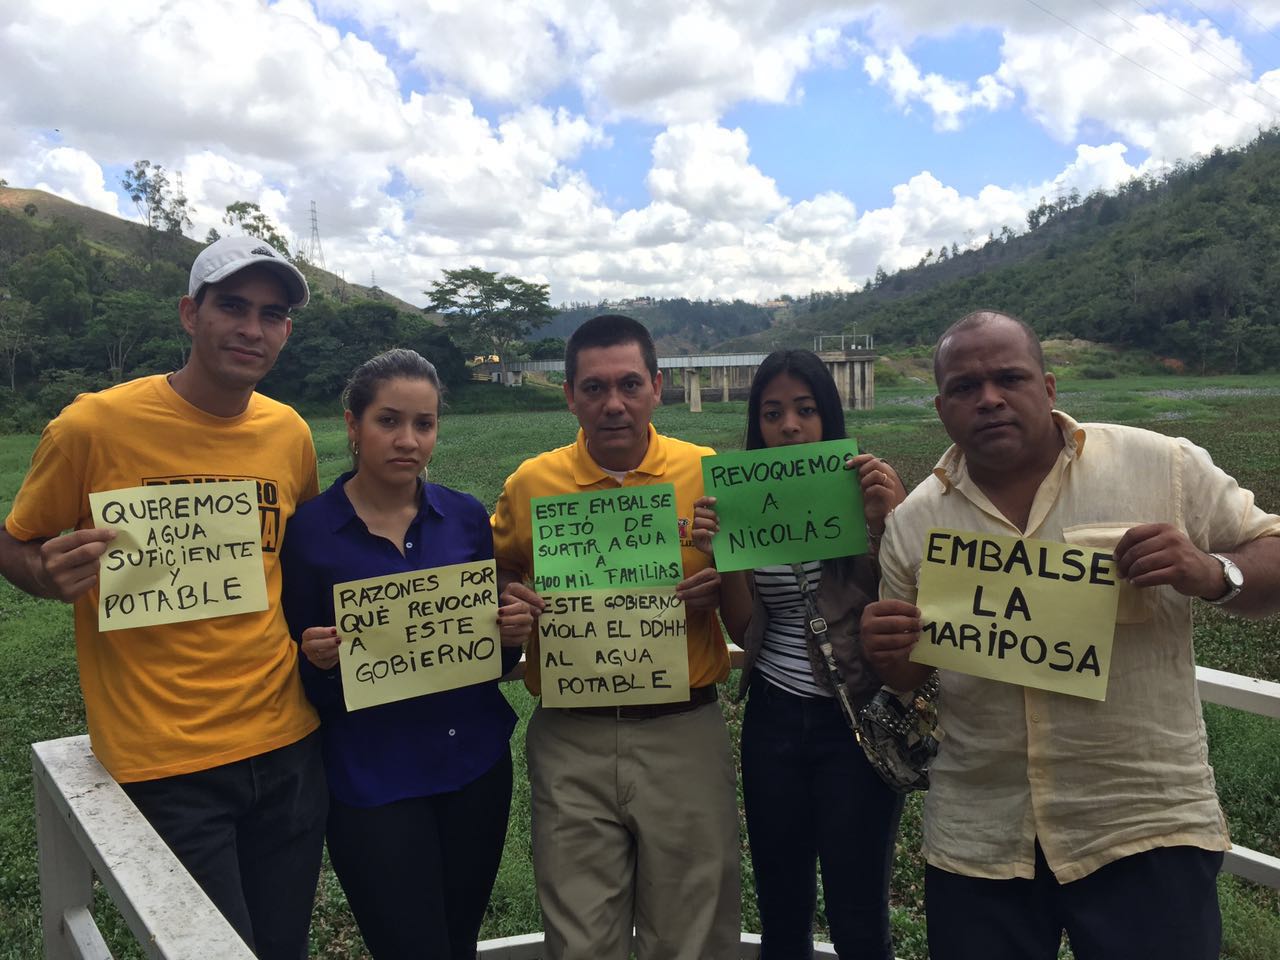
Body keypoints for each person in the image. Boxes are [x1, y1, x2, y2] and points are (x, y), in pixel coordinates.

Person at [861, 310, 1280, 960]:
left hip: (1142, 824)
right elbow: (911, 677)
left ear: (1049, 388)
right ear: (942, 408)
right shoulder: (914, 524)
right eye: (966, 388)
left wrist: (1211, 571)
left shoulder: (1161, 466)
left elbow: (1270, 551)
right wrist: (892, 656)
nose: (990, 398)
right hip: (980, 839)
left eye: (1009, 378)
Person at [0, 236, 326, 959]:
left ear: (286, 333)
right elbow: (14, 541)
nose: (252, 328)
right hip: (165, 758)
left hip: (289, 746)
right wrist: (44, 574)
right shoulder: (92, 425)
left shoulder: (289, 432)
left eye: (271, 315)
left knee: (283, 949)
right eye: (233, 306)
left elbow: (300, 560)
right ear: (190, 313)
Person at [489, 314, 739, 960]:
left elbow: (747, 584)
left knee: (693, 929)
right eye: (594, 388)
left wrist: (722, 578)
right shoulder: (530, 483)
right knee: (579, 934)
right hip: (572, 736)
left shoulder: (705, 472)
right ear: (569, 395)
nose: (614, 404)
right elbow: (499, 564)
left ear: (657, 386)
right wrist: (508, 595)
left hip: (683, 729)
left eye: (629, 384)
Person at [280, 348, 535, 959]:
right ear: (353, 425)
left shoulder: (466, 520)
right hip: (372, 780)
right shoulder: (308, 533)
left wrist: (508, 635)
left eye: (424, 424)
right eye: (388, 421)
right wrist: (311, 657)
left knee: (460, 939)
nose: (408, 440)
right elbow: (290, 664)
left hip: (473, 767)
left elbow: (486, 663)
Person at [692, 349, 907, 959]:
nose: (789, 425)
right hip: (773, 721)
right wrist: (720, 554)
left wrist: (889, 521)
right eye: (772, 412)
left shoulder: (869, 490)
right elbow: (742, 624)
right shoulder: (741, 502)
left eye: (806, 410)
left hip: (855, 725)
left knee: (858, 910)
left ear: (828, 417)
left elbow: (911, 601)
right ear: (757, 424)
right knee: (782, 902)